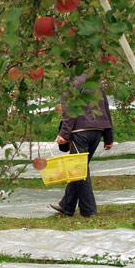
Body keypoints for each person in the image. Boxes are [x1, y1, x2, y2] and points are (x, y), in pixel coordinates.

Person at [50, 69, 113, 218]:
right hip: (97, 130)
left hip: (80, 131)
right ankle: (67, 205)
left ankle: (89, 210)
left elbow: (69, 111)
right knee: (79, 168)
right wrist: (109, 136)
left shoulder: (69, 81)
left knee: (78, 171)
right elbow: (105, 107)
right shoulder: (95, 79)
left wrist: (64, 133)